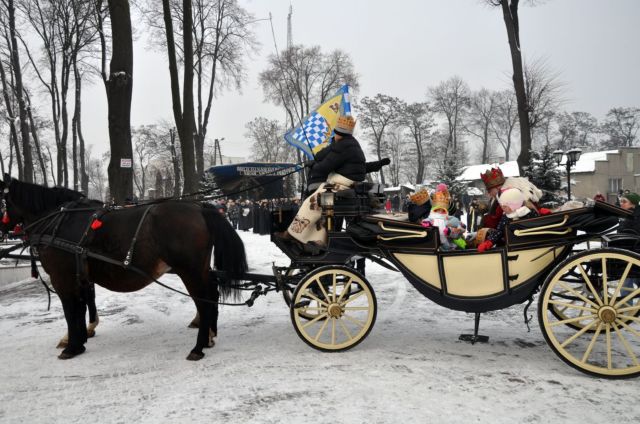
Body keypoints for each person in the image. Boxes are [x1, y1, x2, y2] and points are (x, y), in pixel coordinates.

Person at [278, 115, 366, 247]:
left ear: (339, 134)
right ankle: (319, 239)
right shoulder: (349, 143)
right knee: (322, 210)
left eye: (336, 133)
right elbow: (321, 156)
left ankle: (293, 233)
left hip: (341, 185)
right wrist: (320, 156)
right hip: (346, 184)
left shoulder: (343, 146)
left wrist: (313, 165)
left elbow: (324, 167)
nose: (334, 135)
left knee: (311, 203)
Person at [477, 188, 539, 252]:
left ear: (514, 205)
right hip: (513, 248)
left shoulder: (529, 212)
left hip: (533, 246)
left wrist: (542, 215)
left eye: (504, 206)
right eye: (501, 206)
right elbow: (499, 231)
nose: (502, 208)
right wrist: (490, 241)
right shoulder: (506, 217)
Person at [618, 192, 640, 304]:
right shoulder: (628, 214)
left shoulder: (635, 216)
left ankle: (626, 306)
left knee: (626, 282)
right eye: (621, 201)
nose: (621, 204)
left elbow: (632, 233)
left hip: (633, 251)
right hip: (630, 251)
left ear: (633, 204)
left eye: (624, 202)